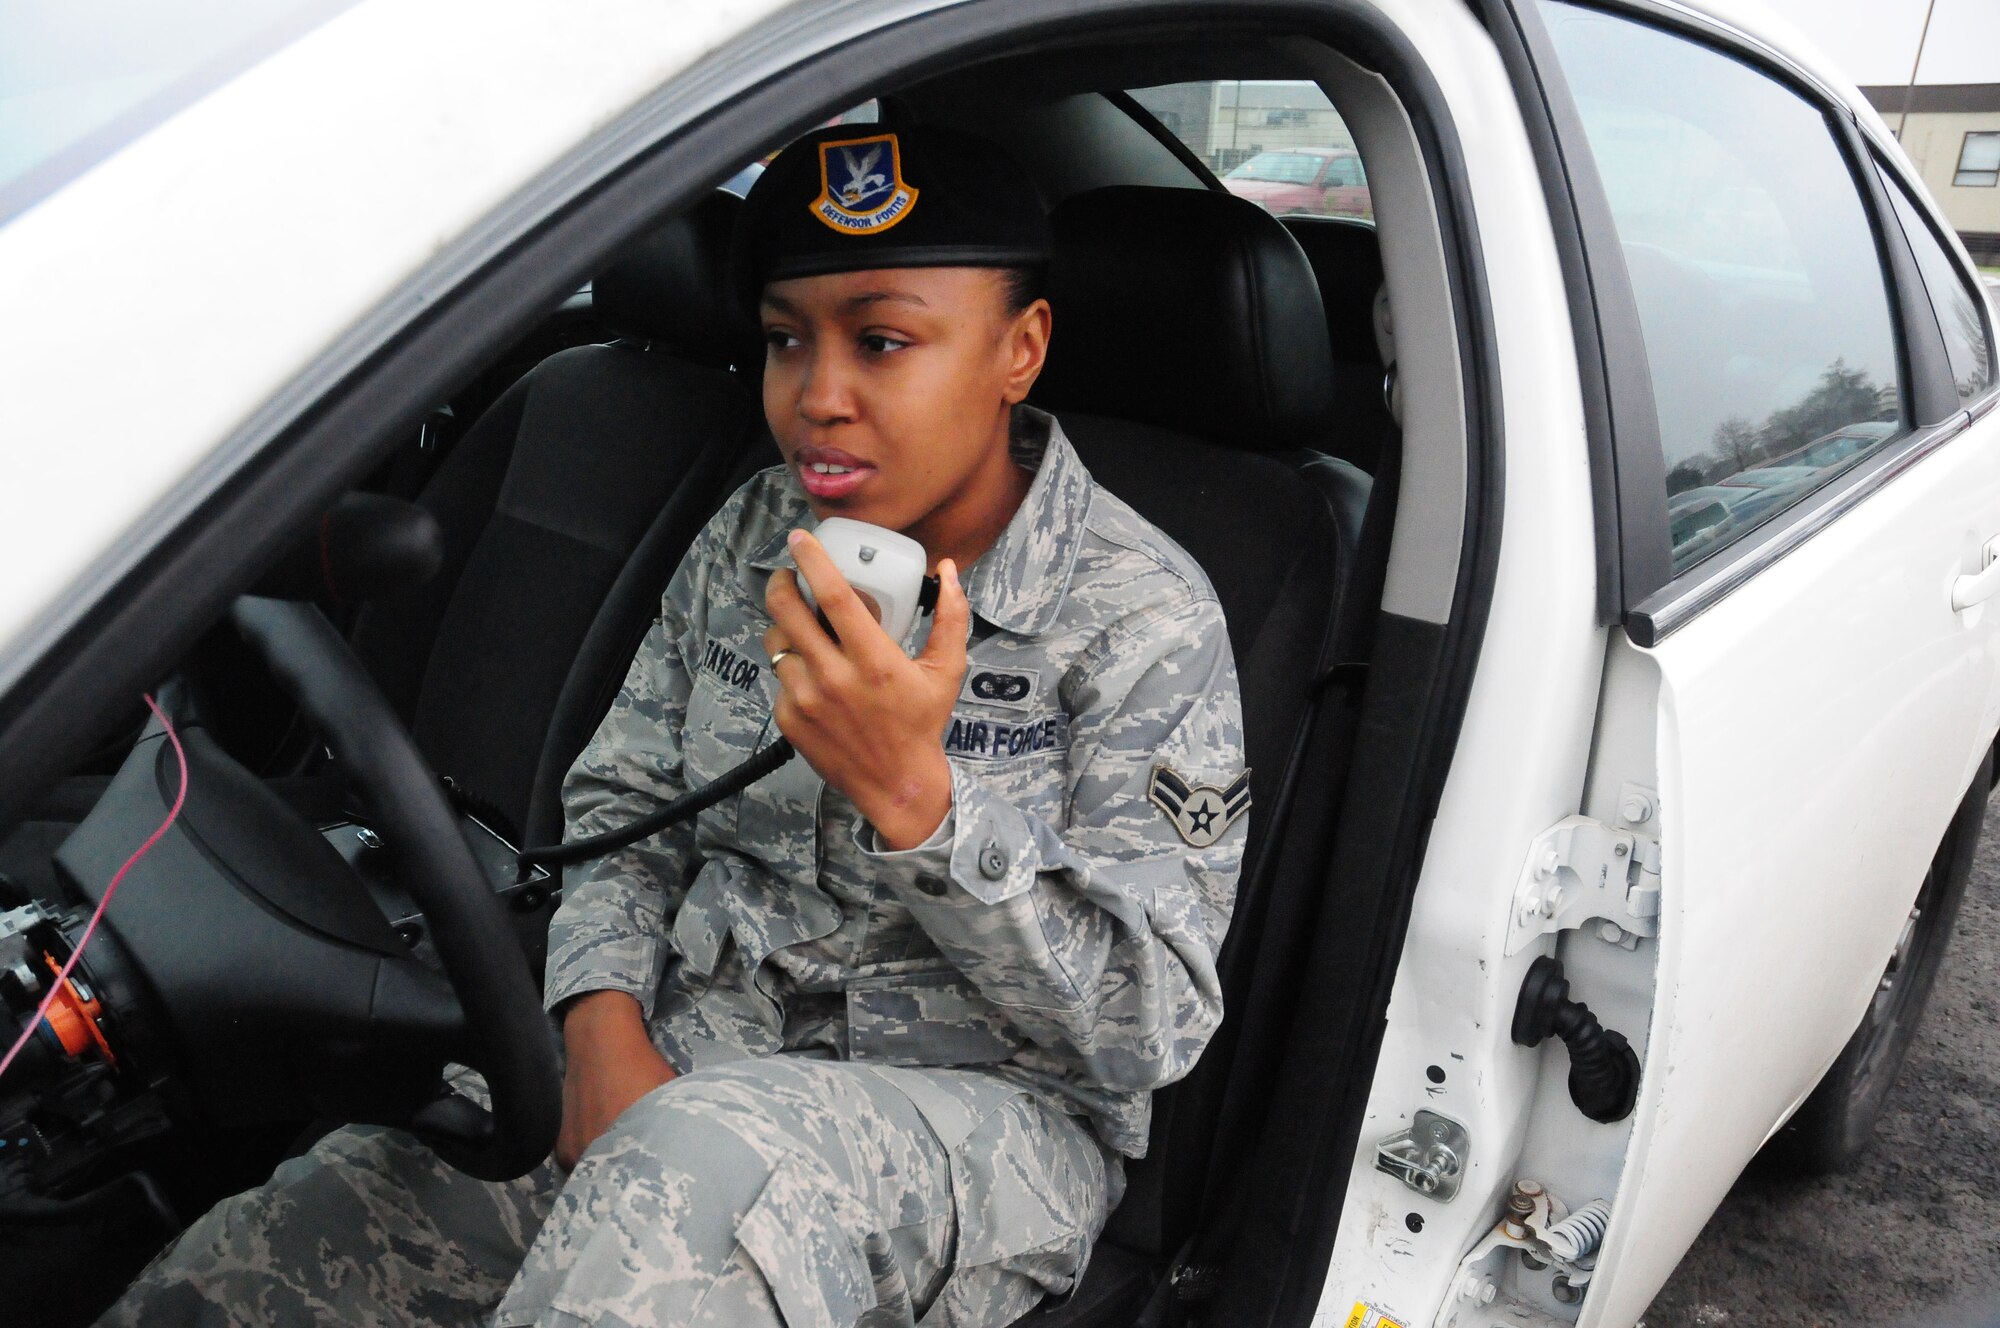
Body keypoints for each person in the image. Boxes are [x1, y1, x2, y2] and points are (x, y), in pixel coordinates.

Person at [100, 123, 1248, 1328]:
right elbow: (619, 811)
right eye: (783, 339)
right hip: (687, 1049)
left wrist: (924, 809)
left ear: (1019, 348)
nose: (817, 398)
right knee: (292, 1235)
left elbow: (1145, 1030)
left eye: (882, 340)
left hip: (982, 1124)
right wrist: (595, 1021)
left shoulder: (1141, 616)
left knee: (693, 1177)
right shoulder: (757, 530)